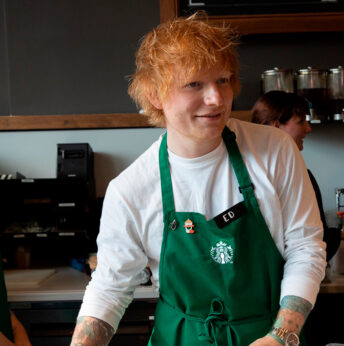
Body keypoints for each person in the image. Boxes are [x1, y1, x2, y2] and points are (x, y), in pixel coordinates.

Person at [71, 12, 326, 346]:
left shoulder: (274, 150)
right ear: (155, 95)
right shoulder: (130, 189)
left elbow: (306, 248)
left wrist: (282, 334)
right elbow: (109, 287)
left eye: (223, 80)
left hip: (269, 334)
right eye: (194, 84)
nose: (217, 99)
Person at [251, 90, 342, 261]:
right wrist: (336, 236)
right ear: (276, 127)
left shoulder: (248, 171)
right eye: (301, 122)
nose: (308, 128)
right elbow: (316, 242)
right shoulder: (301, 178)